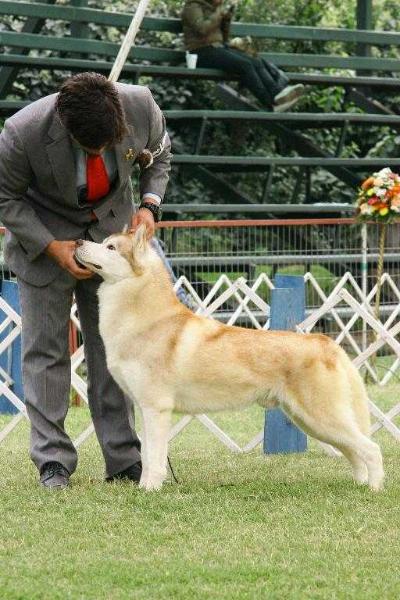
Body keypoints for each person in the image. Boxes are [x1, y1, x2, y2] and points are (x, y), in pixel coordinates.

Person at [0, 72, 172, 489]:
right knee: (45, 353)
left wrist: (150, 205)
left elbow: (160, 156)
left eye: (107, 145)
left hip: (113, 244)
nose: (100, 152)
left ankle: (124, 458)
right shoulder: (21, 132)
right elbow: (5, 197)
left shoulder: (141, 105)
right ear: (64, 124)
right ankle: (53, 462)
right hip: (44, 243)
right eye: (89, 148)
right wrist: (51, 246)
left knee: (113, 353)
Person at [182, 0, 304, 110]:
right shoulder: (193, 6)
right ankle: (270, 103)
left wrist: (226, 19)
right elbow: (202, 29)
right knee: (244, 64)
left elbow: (223, 37)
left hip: (217, 48)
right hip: (200, 52)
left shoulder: (213, 7)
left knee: (254, 60)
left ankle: (278, 94)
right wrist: (219, 13)